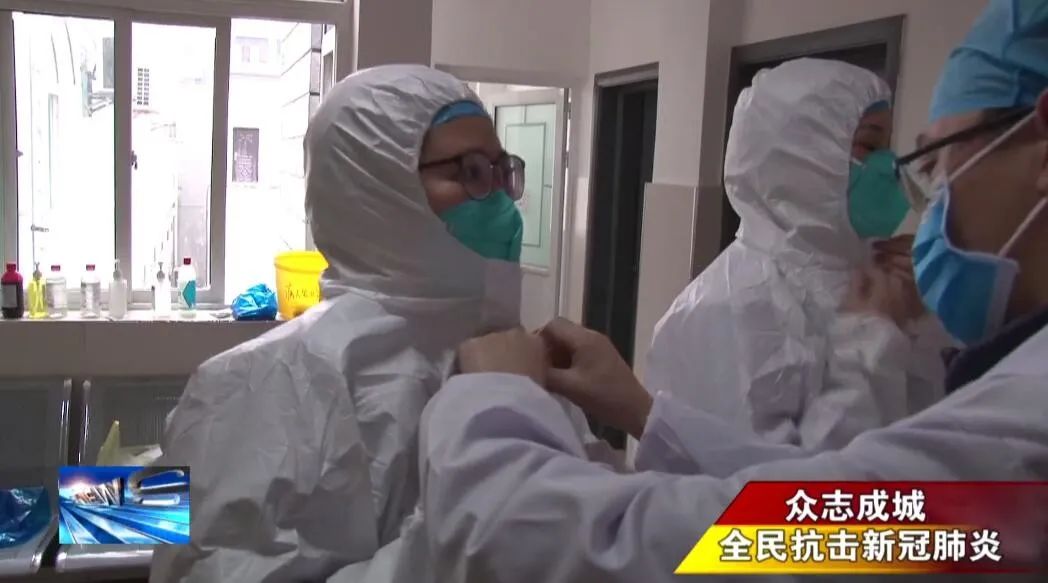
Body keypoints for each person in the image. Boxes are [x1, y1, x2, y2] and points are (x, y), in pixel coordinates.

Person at [415, 1, 1048, 581]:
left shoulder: (1017, 438)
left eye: (939, 161)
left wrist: (494, 399)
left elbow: (790, 534)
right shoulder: (730, 303)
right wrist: (644, 412)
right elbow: (804, 506)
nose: (928, 195)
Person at [149, 64, 596, 582]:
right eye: (472, 172)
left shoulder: (523, 363)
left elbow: (625, 542)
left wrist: (648, 421)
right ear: (375, 187)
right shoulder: (259, 385)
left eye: (501, 172)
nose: (502, 202)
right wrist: (468, 535)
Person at [645, 58, 944, 454]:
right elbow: (761, 483)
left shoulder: (868, 277)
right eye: (870, 146)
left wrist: (918, 321)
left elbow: (919, 434)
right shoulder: (726, 307)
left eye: (887, 147)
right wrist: (871, 345)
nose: (889, 166)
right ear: (803, 156)